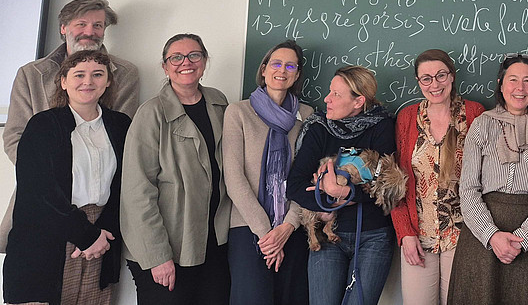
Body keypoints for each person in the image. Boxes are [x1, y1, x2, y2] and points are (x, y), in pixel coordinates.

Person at [1, 0, 139, 251]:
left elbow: (122, 141)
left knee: (92, 287)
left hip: (101, 204)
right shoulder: (31, 74)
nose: (90, 32)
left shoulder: (125, 74)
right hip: (42, 203)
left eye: (98, 25)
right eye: (81, 24)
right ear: (64, 28)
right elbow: (14, 136)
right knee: (41, 280)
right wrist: (45, 180)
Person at [2, 51, 130, 305]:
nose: (88, 81)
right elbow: (39, 192)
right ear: (63, 81)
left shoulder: (121, 125)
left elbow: (126, 185)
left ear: (107, 82)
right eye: (79, 74)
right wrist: (86, 235)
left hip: (102, 236)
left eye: (97, 74)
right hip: (48, 234)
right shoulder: (42, 125)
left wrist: (103, 233)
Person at [448, 54, 528, 305]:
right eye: (513, 80)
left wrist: (524, 239)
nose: (520, 88)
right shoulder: (482, 125)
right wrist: (492, 236)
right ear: (501, 84)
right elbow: (469, 188)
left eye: (527, 81)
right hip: (484, 240)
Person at [120, 34, 232, 304]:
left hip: (212, 245)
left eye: (194, 55)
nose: (186, 63)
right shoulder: (151, 114)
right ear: (165, 66)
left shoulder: (219, 103)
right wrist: (158, 257)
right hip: (167, 250)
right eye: (176, 57)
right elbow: (137, 192)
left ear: (204, 61)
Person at [286, 65, 396, 305]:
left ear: (358, 102)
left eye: (336, 94)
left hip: (372, 236)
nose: (327, 99)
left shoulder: (382, 126)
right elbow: (294, 185)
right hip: (325, 239)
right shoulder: (319, 128)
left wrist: (346, 192)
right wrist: (325, 207)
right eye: (329, 91)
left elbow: (387, 187)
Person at [391, 49, 486, 305]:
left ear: (452, 76)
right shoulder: (407, 118)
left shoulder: (475, 113)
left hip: (465, 236)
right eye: (427, 78)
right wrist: (405, 234)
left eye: (441, 75)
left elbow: (487, 176)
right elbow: (396, 183)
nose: (435, 84)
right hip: (418, 237)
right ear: (419, 82)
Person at [222, 40, 313, 305]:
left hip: (292, 230)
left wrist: (287, 227)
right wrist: (267, 235)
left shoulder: (307, 115)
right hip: (248, 228)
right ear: (263, 69)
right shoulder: (238, 112)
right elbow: (234, 179)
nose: (281, 70)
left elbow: (306, 177)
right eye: (276, 63)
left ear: (296, 75)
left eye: (290, 66)